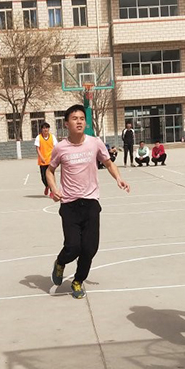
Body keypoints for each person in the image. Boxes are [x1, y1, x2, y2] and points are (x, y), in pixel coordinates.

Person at [47, 104, 130, 299]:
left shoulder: (95, 143)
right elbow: (50, 171)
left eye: (82, 119)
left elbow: (108, 163)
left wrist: (118, 178)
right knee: (73, 246)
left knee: (90, 248)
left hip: (91, 202)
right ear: (66, 123)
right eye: (74, 118)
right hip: (69, 204)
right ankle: (60, 262)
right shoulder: (60, 148)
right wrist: (54, 189)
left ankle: (78, 281)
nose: (79, 122)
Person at [34, 122, 55, 196]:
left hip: (50, 160)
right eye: (44, 128)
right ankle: (47, 186)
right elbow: (37, 149)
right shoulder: (38, 137)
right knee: (43, 177)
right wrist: (41, 157)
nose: (45, 129)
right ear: (41, 129)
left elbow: (56, 147)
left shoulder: (52, 137)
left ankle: (52, 191)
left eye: (47, 128)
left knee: (51, 176)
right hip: (42, 161)